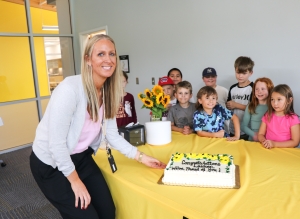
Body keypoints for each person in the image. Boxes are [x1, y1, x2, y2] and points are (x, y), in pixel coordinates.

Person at [29, 34, 166, 219]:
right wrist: (75, 181)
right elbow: (56, 145)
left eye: (111, 54)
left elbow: (112, 135)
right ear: (88, 60)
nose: (108, 59)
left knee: (108, 212)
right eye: (100, 54)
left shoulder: (109, 91)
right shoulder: (69, 90)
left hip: (80, 158)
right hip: (51, 162)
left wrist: (141, 157)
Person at [258, 84, 300, 149]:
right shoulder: (268, 115)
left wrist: (274, 144)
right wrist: (265, 142)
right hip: (269, 150)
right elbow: (260, 134)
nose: (275, 103)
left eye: (279, 99)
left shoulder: (293, 118)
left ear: (289, 100)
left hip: (286, 151)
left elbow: (295, 142)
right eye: (272, 99)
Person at [226, 56, 254, 140]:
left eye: (244, 73)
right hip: (232, 128)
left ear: (251, 73)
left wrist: (236, 105)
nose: (240, 76)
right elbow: (229, 106)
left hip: (247, 129)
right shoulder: (232, 88)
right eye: (238, 72)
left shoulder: (254, 88)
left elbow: (254, 109)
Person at [202, 67, 229, 134]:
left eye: (213, 76)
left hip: (222, 127)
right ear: (203, 79)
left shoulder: (224, 91)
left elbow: (229, 106)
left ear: (216, 77)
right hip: (206, 128)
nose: (210, 78)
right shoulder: (201, 92)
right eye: (207, 76)